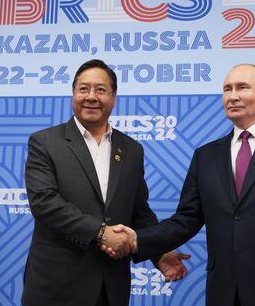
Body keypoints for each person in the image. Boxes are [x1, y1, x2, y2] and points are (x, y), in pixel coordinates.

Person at [105, 64, 255, 306]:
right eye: (227, 89)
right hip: (225, 291)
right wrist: (138, 239)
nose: (233, 96)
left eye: (242, 87)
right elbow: (186, 220)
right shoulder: (206, 156)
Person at [22, 59, 187, 306]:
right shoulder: (45, 142)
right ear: (73, 94)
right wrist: (100, 233)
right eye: (83, 89)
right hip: (56, 285)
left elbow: (139, 212)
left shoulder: (132, 149)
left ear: (114, 97)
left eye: (100, 90)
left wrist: (158, 253)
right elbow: (44, 202)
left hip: (110, 286)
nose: (91, 96)